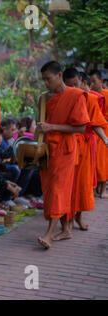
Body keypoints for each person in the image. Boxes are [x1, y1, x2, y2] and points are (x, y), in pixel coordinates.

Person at [36, 61, 89, 249]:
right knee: (50, 191)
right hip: (47, 150)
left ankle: (49, 235)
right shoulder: (44, 98)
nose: (46, 83)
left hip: (65, 150)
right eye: (43, 80)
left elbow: (81, 127)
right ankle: (65, 228)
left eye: (48, 79)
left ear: (59, 75)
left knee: (58, 190)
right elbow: (41, 123)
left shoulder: (75, 95)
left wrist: (52, 127)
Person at [62, 70, 108, 232]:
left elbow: (95, 122)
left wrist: (105, 139)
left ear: (82, 81)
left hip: (85, 147)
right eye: (69, 85)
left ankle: (78, 217)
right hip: (67, 146)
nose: (73, 88)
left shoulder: (91, 99)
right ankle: (66, 223)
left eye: (75, 84)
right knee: (67, 186)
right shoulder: (63, 97)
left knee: (82, 185)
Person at [89, 69, 108, 199]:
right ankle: (98, 189)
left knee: (103, 161)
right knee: (97, 160)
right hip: (97, 129)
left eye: (94, 82)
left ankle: (102, 189)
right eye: (90, 82)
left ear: (101, 81)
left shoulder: (106, 94)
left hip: (104, 128)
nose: (91, 85)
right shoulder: (93, 95)